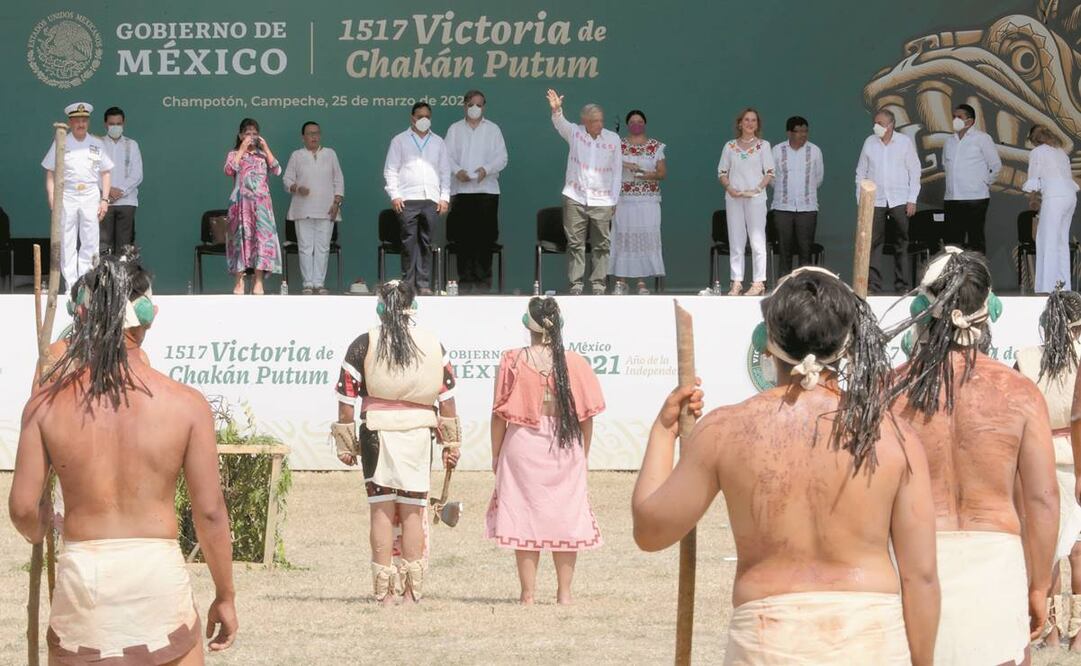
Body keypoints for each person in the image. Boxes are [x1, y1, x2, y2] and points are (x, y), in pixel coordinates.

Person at [632, 266, 939, 664]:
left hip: (767, 640)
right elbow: (922, 576)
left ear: (767, 341)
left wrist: (662, 430)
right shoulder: (894, 435)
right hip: (870, 636)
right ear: (846, 345)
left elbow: (650, 529)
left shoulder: (725, 430)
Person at [9, 249, 237, 663]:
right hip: (157, 580)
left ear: (83, 316)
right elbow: (210, 513)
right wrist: (225, 594)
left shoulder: (45, 405)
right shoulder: (185, 404)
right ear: (146, 315)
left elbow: (24, 508)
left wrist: (40, 526)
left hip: (83, 581)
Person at [891, 247, 1058, 665]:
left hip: (913, 560)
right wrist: (1039, 585)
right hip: (994, 560)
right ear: (985, 308)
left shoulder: (889, 390)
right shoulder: (1018, 392)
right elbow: (1042, 499)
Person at [332, 280, 460, 604]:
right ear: (412, 307)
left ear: (380, 305)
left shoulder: (365, 343)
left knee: (381, 511)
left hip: (376, 432)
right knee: (414, 510)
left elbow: (346, 398)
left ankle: (383, 593)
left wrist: (346, 444)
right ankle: (411, 593)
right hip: (418, 433)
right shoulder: (433, 344)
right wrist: (451, 444)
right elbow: (447, 400)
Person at [485, 297, 606, 604]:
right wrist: (583, 454)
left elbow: (499, 414)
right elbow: (586, 419)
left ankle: (528, 594)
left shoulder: (512, 360)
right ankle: (564, 593)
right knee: (566, 517)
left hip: (522, 443)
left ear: (528, 326)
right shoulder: (575, 363)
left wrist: (496, 454)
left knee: (523, 515)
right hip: (565, 444)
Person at [1014, 287, 1081, 649]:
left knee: (1048, 550)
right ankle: (1080, 635)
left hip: (1038, 460)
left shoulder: (1025, 359)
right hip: (1078, 455)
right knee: (1078, 551)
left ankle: (1051, 633)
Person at [546, 89, 622, 295]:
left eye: (601, 120)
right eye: (595, 121)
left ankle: (598, 284)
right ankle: (576, 284)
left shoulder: (613, 139)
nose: (600, 124)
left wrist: (614, 199)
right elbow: (560, 124)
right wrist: (557, 110)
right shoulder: (576, 133)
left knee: (602, 244)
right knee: (575, 243)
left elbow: (617, 171)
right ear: (585, 121)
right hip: (575, 196)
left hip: (603, 199)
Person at [42, 102, 114, 290]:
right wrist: (51, 196)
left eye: (84, 120)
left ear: (88, 122)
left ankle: (86, 284)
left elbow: (106, 172)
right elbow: (50, 170)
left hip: (90, 194)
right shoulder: (61, 141)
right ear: (70, 122)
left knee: (90, 240)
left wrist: (104, 199)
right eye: (77, 121)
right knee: (67, 240)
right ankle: (71, 284)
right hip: (68, 195)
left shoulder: (97, 143)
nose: (81, 124)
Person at [383, 103, 451, 295]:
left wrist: (444, 197)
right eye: (420, 116)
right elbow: (391, 169)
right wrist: (394, 194)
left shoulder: (438, 141)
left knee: (426, 241)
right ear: (412, 118)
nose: (424, 120)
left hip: (431, 198)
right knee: (408, 242)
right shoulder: (400, 140)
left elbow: (445, 171)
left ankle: (423, 284)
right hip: (407, 198)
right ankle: (408, 284)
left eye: (427, 116)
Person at [445, 90, 508, 294]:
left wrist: (486, 170)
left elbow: (502, 158)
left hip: (486, 192)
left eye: (479, 105)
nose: (475, 108)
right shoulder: (455, 129)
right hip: (462, 192)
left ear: (484, 107)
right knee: (463, 239)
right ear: (464, 105)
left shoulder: (493, 129)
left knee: (485, 239)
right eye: (472, 104)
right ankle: (464, 283)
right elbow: (446, 157)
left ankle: (483, 284)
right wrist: (457, 171)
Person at [855, 109, 921, 294]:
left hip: (900, 199)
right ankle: (873, 286)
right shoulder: (869, 142)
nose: (876, 127)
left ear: (891, 125)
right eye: (875, 123)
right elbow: (861, 172)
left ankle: (902, 287)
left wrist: (912, 199)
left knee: (902, 244)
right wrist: (861, 199)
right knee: (873, 244)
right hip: (875, 200)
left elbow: (915, 170)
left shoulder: (904, 142)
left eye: (880, 124)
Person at [283, 121, 345, 295]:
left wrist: (337, 202)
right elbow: (287, 180)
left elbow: (338, 179)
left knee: (323, 247)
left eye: (317, 133)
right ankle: (308, 284)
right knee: (305, 246)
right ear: (303, 137)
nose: (314, 136)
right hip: (303, 209)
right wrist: (297, 188)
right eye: (310, 133)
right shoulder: (297, 155)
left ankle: (319, 283)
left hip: (327, 209)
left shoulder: (330, 154)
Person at [718, 108, 775, 296]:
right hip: (734, 198)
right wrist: (729, 188)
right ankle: (736, 281)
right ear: (740, 123)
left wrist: (757, 189)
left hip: (756, 199)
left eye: (753, 120)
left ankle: (758, 282)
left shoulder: (763, 146)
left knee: (757, 240)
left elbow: (770, 172)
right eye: (746, 120)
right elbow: (722, 172)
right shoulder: (730, 146)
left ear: (757, 124)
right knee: (736, 240)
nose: (750, 123)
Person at [225, 117, 283, 295]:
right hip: (242, 205)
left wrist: (266, 148)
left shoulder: (262, 154)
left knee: (262, 241)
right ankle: (239, 282)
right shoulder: (234, 153)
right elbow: (229, 170)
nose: (251, 137)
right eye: (248, 133)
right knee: (241, 241)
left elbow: (277, 170)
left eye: (255, 134)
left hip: (262, 205)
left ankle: (259, 281)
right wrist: (241, 150)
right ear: (241, 135)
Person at [611, 109, 666, 295]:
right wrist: (627, 165)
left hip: (648, 201)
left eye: (640, 121)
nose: (636, 124)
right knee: (624, 238)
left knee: (643, 239)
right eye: (633, 121)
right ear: (628, 125)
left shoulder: (655, 146)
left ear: (645, 124)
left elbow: (662, 173)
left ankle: (642, 282)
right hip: (624, 200)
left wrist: (646, 174)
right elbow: (609, 163)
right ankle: (621, 281)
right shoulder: (618, 145)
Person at [1024, 125, 1079, 294]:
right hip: (1070, 197)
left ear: (1034, 139)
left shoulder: (1038, 152)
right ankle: (1063, 286)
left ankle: (1046, 288)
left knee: (1046, 240)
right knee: (1061, 242)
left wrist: (1032, 199)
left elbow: (1034, 178)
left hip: (1055, 198)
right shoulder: (1060, 152)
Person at [942, 103, 1001, 254]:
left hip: (975, 198)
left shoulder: (982, 138)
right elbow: (945, 165)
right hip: (952, 197)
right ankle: (955, 276)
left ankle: (977, 276)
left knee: (976, 240)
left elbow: (995, 165)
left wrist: (983, 182)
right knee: (952, 241)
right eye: (954, 117)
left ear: (970, 121)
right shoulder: (949, 141)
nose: (955, 119)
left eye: (959, 117)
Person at [770, 116, 824, 276]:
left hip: (807, 208)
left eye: (805, 131)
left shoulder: (814, 151)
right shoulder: (777, 150)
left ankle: (804, 289)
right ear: (789, 133)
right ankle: (783, 288)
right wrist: (784, 191)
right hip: (782, 207)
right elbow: (771, 177)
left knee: (805, 250)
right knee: (784, 251)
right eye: (798, 131)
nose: (802, 134)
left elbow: (818, 178)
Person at [99, 106, 143, 257]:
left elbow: (137, 174)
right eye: (112, 124)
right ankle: (104, 280)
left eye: (118, 123)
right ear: (105, 124)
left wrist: (120, 191)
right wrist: (108, 190)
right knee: (103, 247)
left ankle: (122, 281)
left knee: (125, 248)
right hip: (104, 202)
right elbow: (93, 172)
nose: (115, 127)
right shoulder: (97, 144)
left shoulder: (132, 144)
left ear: (123, 124)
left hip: (127, 202)